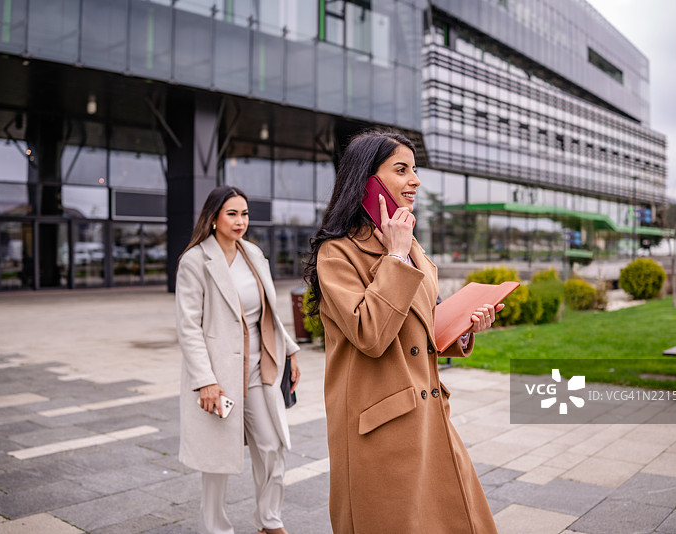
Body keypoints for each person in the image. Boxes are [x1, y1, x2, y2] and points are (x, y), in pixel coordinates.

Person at [305, 130, 502, 533]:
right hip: (381, 428)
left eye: (414, 169)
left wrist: (464, 329)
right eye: (401, 170)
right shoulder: (338, 252)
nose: (415, 180)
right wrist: (394, 255)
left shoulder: (412, 247)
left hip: (428, 416)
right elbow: (371, 334)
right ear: (367, 181)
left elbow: (420, 326)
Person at [176, 185, 301, 534]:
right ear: (213, 218)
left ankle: (268, 520)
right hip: (218, 374)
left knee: (272, 446)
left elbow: (269, 311)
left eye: (244, 213)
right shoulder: (195, 261)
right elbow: (188, 327)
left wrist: (290, 351)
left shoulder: (253, 254)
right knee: (216, 460)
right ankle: (217, 528)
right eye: (232, 213)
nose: (240, 221)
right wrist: (205, 380)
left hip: (260, 368)